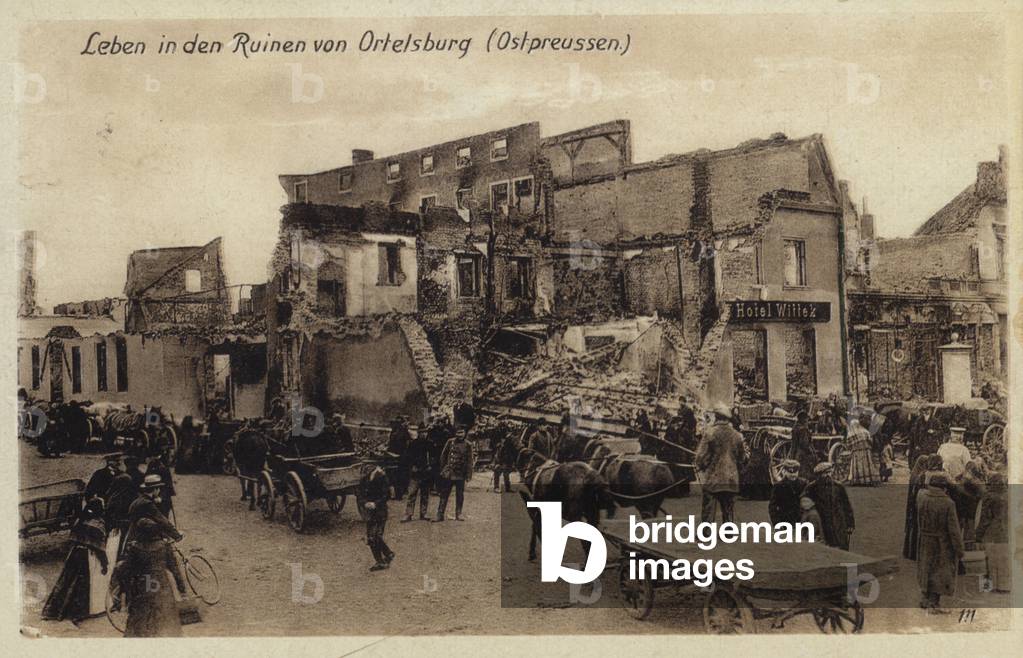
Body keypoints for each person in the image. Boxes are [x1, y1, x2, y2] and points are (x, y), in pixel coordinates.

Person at [111, 518, 185, 637]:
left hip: (143, 588)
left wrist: (124, 590)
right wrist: (182, 589)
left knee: (139, 625)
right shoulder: (165, 546)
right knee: (166, 623)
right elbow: (175, 569)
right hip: (162, 588)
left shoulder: (135, 548)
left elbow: (127, 571)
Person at [42, 497, 109, 622]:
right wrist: (105, 564)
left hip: (75, 553)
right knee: (82, 584)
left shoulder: (81, 520)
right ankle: (76, 613)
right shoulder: (97, 525)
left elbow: (72, 539)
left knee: (66, 581)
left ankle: (55, 610)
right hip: (86, 556)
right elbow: (100, 549)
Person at [915, 473, 965, 613]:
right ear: (944, 487)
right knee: (940, 572)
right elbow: (954, 530)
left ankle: (925, 599)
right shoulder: (948, 503)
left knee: (926, 568)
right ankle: (934, 603)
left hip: (924, 539)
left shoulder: (922, 498)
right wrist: (959, 550)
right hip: (941, 543)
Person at [694, 405, 746, 523]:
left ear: (716, 417)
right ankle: (728, 532)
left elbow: (700, 457)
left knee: (709, 509)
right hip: (731, 479)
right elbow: (742, 458)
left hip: (713, 478)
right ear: (728, 419)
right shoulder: (737, 435)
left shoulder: (710, 433)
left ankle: (706, 533)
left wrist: (701, 465)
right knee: (728, 508)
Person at [804, 462, 855, 550]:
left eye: (829, 472)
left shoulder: (838, 487)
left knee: (842, 548)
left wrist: (850, 524)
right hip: (822, 523)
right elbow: (805, 504)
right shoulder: (811, 488)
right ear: (819, 475)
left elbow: (846, 506)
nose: (828, 476)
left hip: (838, 523)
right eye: (825, 473)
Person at [975, 472, 1010, 592]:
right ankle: (1004, 587)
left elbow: (984, 519)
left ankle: (988, 587)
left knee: (989, 561)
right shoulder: (1009, 495)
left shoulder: (988, 497)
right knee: (1004, 560)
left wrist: (978, 536)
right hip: (1006, 532)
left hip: (991, 532)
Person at [359, 455, 395, 571]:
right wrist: (365, 503)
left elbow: (387, 495)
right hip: (369, 512)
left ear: (376, 465)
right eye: (365, 465)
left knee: (376, 536)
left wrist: (375, 503)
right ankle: (388, 553)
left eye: (369, 465)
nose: (366, 467)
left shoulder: (382, 477)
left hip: (380, 511)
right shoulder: (364, 478)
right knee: (371, 537)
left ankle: (380, 562)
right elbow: (360, 494)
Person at [435, 427, 475, 522]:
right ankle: (440, 514)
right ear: (455, 433)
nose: (460, 435)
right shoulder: (450, 442)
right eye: (458, 433)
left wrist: (469, 474)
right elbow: (443, 456)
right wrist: (444, 469)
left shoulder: (468, 444)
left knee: (460, 495)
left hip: (460, 473)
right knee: (444, 494)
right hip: (449, 473)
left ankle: (459, 514)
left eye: (462, 433)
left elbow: (470, 461)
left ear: (465, 433)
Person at [401, 424, 433, 522]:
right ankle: (408, 514)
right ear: (419, 433)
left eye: (426, 432)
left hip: (426, 472)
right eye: (422, 432)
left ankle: (423, 513)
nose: (424, 434)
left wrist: (431, 466)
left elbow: (433, 456)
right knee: (412, 493)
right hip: (415, 473)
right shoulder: (413, 444)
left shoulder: (430, 444)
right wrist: (412, 466)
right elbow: (407, 458)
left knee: (425, 494)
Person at [903, 454, 930, 560]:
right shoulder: (920, 476)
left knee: (912, 528)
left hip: (912, 504)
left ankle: (909, 552)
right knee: (916, 529)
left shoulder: (914, 474)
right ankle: (914, 553)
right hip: (917, 504)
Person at [769, 459, 806, 525]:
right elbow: (772, 507)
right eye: (790, 472)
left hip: (802, 521)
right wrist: (776, 523)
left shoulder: (804, 484)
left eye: (795, 472)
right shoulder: (778, 486)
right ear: (784, 472)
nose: (793, 475)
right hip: (785, 522)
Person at [846, 418, 880, 486]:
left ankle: (858, 480)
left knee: (858, 466)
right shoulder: (865, 431)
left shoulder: (850, 434)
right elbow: (871, 441)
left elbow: (848, 445)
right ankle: (868, 480)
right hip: (866, 451)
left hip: (856, 452)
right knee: (867, 465)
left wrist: (853, 448)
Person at [386, 416, 412, 499]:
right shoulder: (397, 431)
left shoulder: (400, 431)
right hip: (395, 456)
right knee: (396, 475)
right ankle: (396, 493)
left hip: (399, 456)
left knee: (397, 475)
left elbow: (407, 444)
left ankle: (398, 494)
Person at [145, 456, 176, 520]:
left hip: (164, 498)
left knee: (163, 517)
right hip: (153, 494)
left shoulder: (164, 468)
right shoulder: (150, 466)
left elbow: (168, 486)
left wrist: (161, 498)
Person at [788, 411, 816, 479]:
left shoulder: (795, 428)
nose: (807, 420)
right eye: (806, 419)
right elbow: (804, 444)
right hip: (803, 455)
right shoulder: (803, 429)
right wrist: (812, 453)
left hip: (795, 453)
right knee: (805, 474)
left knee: (798, 472)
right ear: (803, 419)